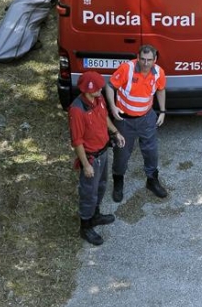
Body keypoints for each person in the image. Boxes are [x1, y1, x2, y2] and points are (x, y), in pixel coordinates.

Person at [68, 70, 126, 246]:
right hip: (91, 158)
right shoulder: (77, 110)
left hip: (103, 153)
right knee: (88, 193)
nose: (101, 90)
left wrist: (115, 132)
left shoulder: (98, 99)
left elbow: (105, 117)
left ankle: (95, 215)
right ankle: (85, 226)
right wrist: (86, 165)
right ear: (87, 90)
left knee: (101, 187)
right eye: (97, 88)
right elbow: (77, 141)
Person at [105, 44, 168, 201]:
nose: (145, 63)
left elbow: (161, 89)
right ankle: (118, 183)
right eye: (142, 59)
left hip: (147, 118)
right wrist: (113, 107)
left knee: (151, 152)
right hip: (125, 120)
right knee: (121, 154)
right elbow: (110, 86)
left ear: (155, 59)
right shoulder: (127, 68)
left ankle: (152, 181)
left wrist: (162, 111)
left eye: (149, 60)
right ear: (138, 57)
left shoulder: (159, 72)